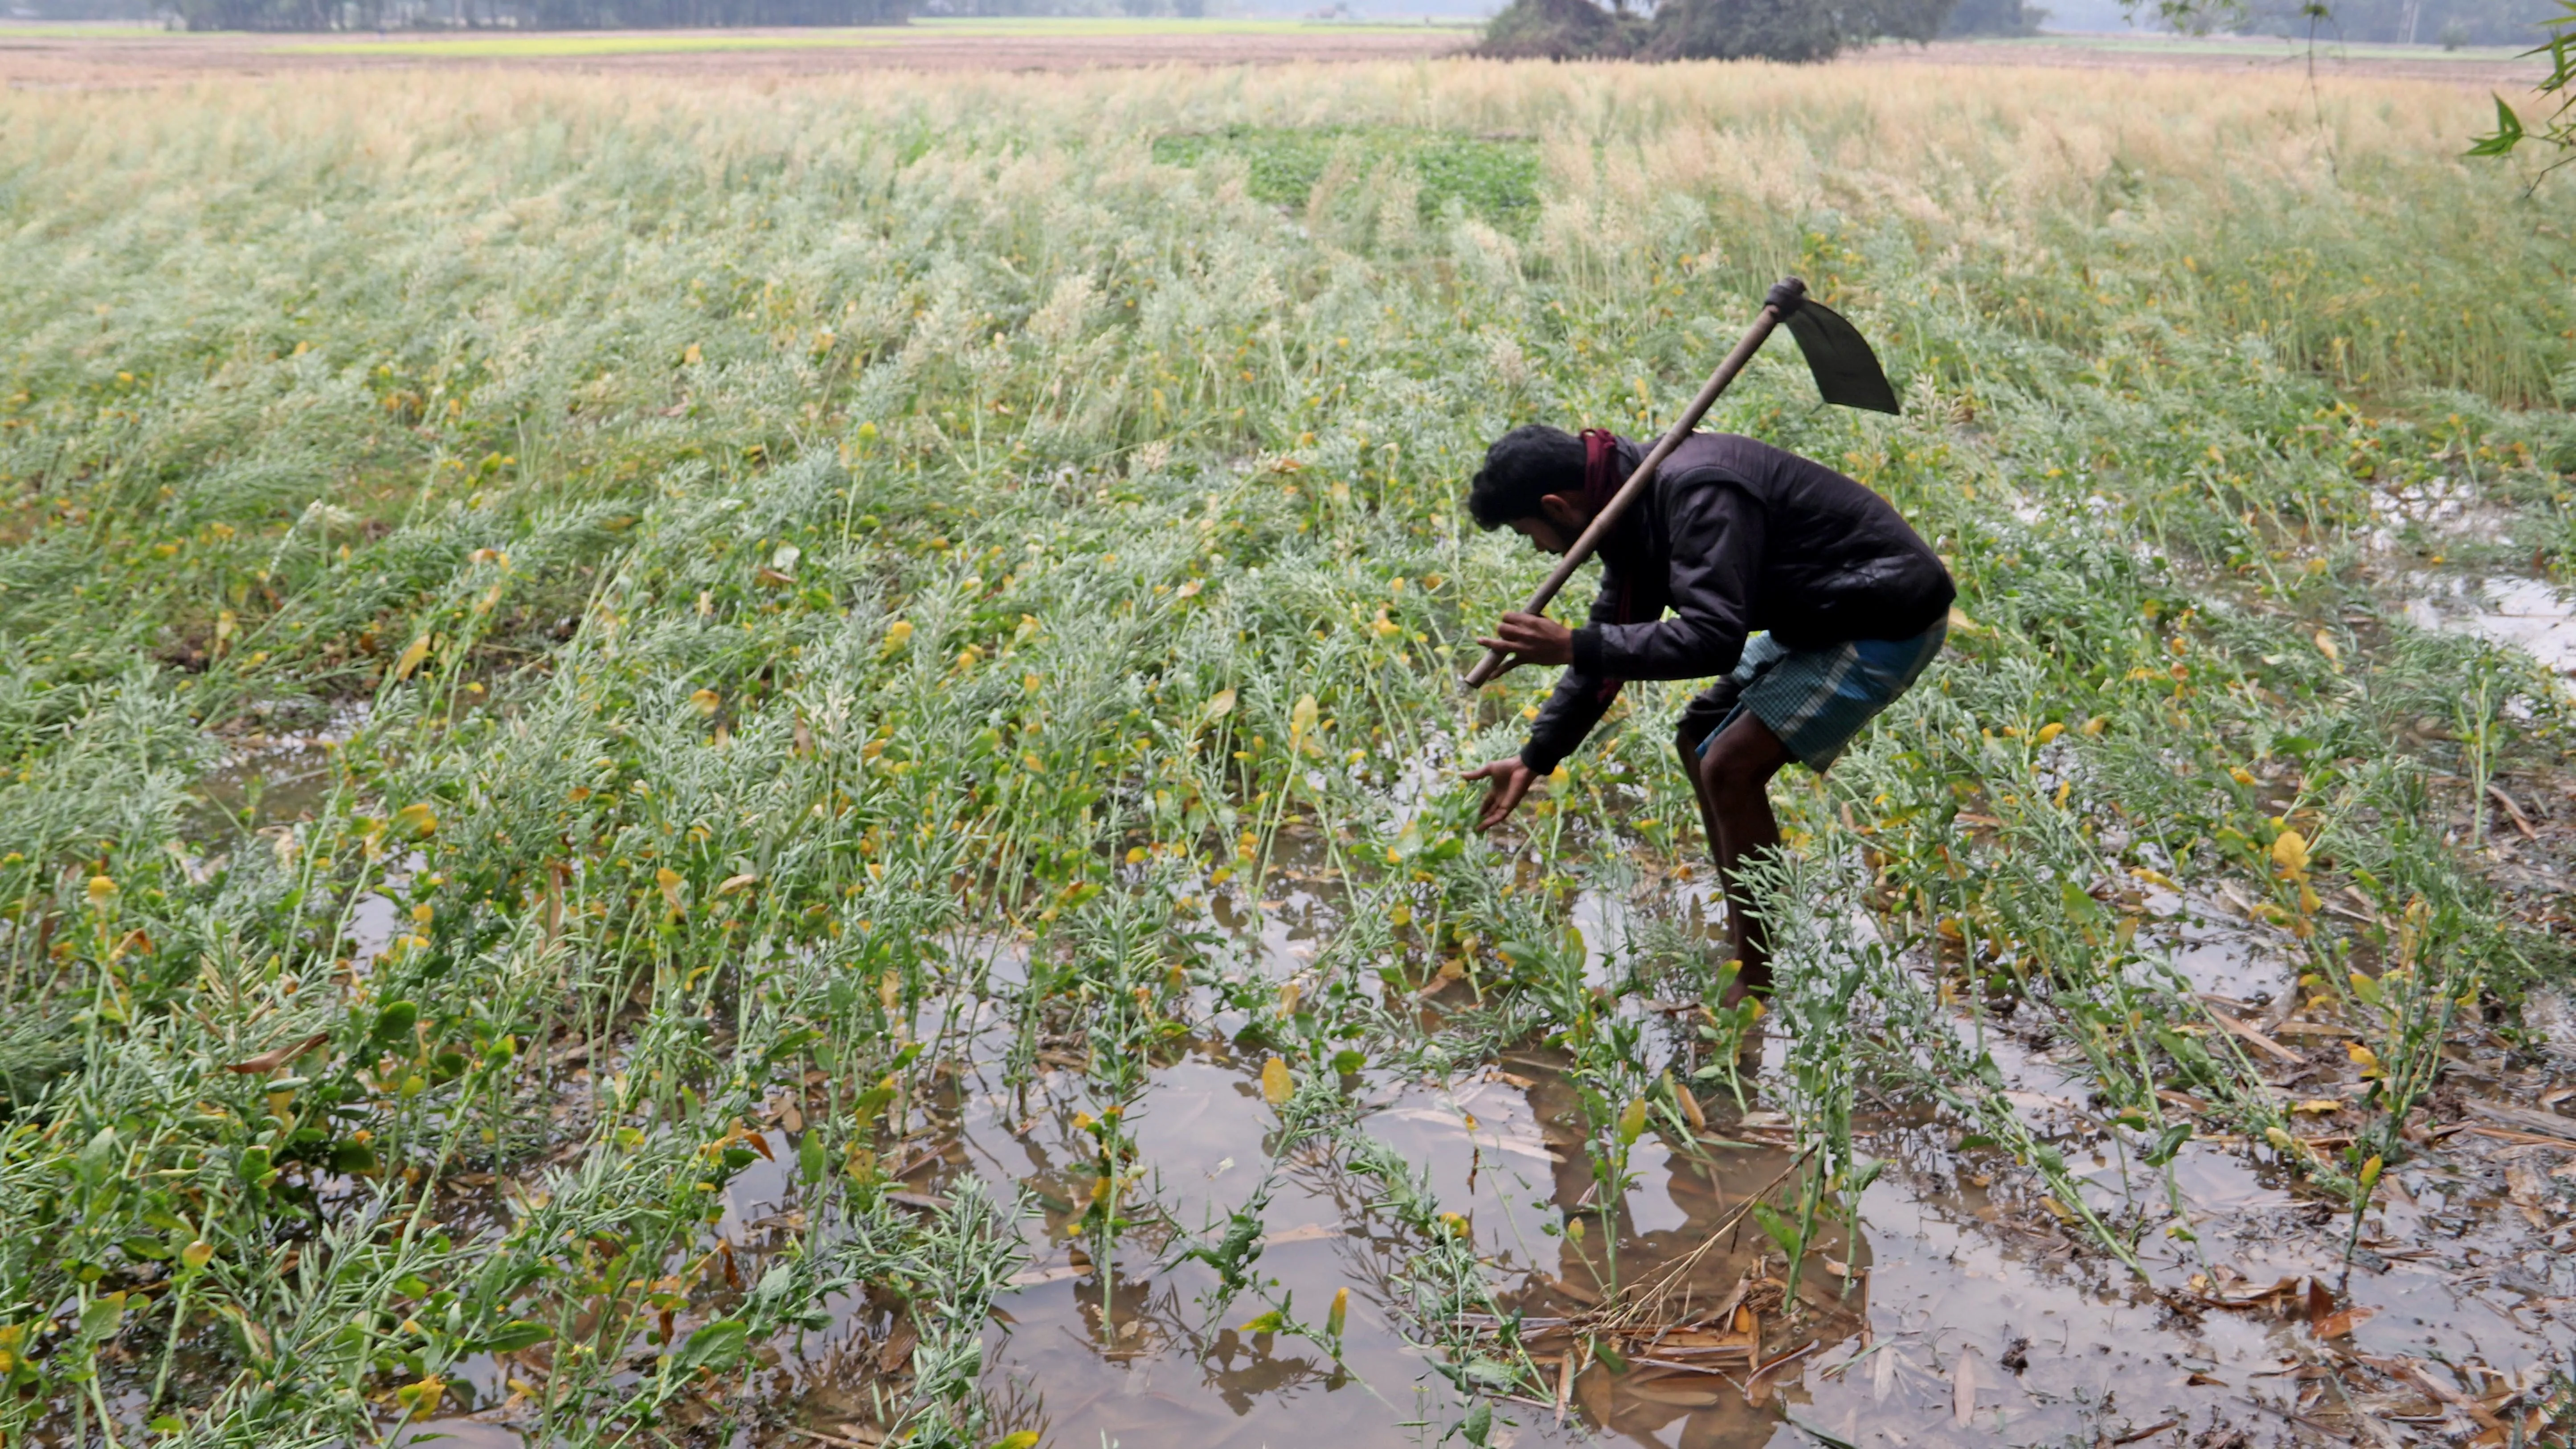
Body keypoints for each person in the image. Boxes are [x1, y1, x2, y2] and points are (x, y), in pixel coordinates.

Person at [1460, 424, 1954, 1006]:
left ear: (1557, 506)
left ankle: (1756, 976)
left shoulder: (1698, 492)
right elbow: (1610, 647)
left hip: (1885, 614)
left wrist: (1571, 645)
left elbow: (1712, 639)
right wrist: (1534, 756)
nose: (1542, 550)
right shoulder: (1628, 506)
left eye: (1529, 534)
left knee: (1729, 766)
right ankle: (1749, 939)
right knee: (1696, 737)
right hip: (1822, 612)